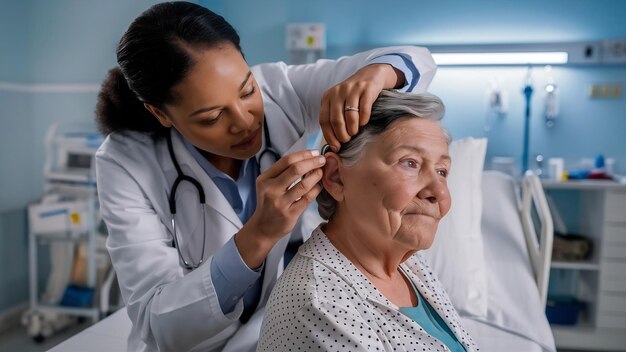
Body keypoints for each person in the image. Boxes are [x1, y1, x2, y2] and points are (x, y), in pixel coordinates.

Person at [95, 2, 436, 351]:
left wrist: (373, 75)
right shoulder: (125, 162)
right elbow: (158, 324)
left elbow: (415, 59)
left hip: (281, 330)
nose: (245, 121)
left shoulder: (278, 90)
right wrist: (260, 233)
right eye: (212, 117)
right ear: (159, 113)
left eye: (246, 91)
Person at [258, 90, 478, 352]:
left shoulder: (409, 267)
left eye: (442, 171)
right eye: (410, 163)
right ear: (337, 176)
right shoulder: (322, 305)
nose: (439, 193)